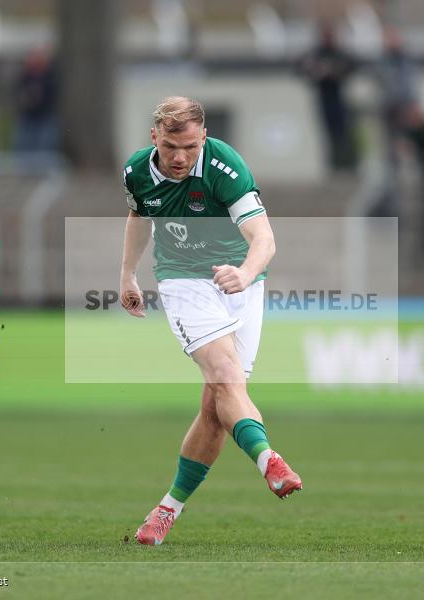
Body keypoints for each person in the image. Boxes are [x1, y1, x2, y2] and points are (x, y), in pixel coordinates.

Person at [120, 97, 302, 546]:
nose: (179, 157)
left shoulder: (224, 166)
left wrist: (244, 271)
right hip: (183, 280)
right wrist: (127, 272)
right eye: (169, 146)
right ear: (153, 139)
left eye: (188, 147)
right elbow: (140, 214)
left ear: (203, 138)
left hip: (242, 282)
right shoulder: (137, 172)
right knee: (225, 377)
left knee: (216, 409)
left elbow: (264, 238)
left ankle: (166, 510)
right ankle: (268, 460)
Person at [296, 23, 355, 171]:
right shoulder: (315, 54)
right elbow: (300, 68)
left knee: (343, 133)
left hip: (339, 99)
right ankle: (333, 166)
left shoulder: (339, 53)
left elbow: (350, 66)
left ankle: (345, 164)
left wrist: (334, 72)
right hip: (323, 98)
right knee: (327, 134)